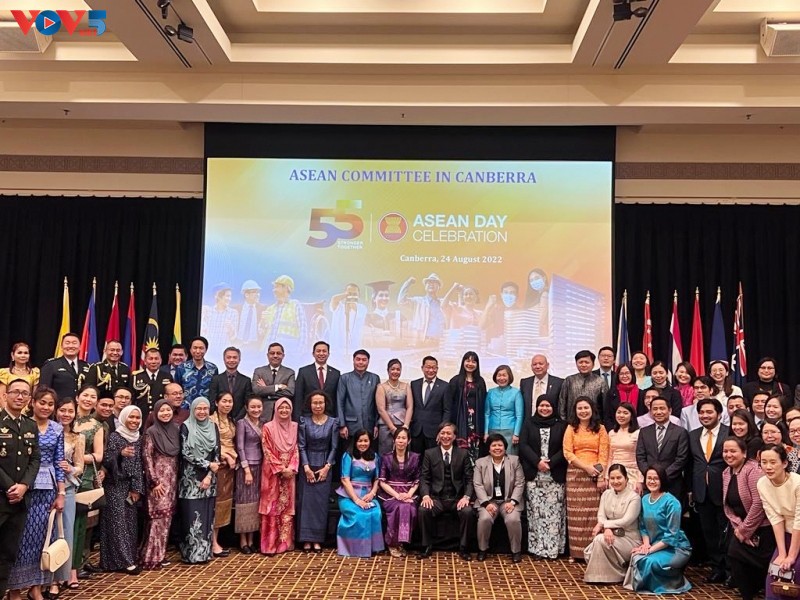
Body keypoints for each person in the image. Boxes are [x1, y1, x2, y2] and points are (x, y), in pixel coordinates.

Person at [6, 386, 63, 600]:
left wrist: (61, 493)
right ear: (33, 403)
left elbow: (59, 462)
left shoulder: (57, 429)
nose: (46, 407)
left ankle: (36, 587)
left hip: (48, 490)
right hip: (24, 487)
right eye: (42, 402)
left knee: (43, 539)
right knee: (21, 539)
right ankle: (14, 589)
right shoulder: (24, 425)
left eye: (50, 404)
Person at [0, 380, 41, 600]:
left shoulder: (30, 425)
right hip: (2, 496)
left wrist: (24, 485)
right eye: (15, 392)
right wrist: (9, 486)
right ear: (5, 395)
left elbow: (35, 459)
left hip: (20, 500)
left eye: (25, 393)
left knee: (8, 553)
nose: (20, 396)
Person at [623, 465, 692, 594]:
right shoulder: (644, 499)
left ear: (662, 480)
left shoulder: (672, 502)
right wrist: (646, 545)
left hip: (676, 547)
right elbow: (643, 527)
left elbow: (671, 537)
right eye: (649, 478)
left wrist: (649, 550)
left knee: (648, 561)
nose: (652, 481)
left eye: (656, 478)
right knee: (637, 557)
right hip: (655, 544)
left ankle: (674, 583)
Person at [722, 436, 775, 600]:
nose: (728, 455)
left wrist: (745, 530)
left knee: (764, 565)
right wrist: (739, 527)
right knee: (734, 555)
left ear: (744, 453)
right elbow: (727, 506)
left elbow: (759, 503)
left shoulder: (753, 471)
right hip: (740, 528)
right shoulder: (726, 472)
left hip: (762, 527)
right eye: (725, 451)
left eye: (733, 451)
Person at [417, 422, 475, 561]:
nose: (445, 436)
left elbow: (469, 479)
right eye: (442, 433)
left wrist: (466, 497)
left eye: (449, 433)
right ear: (438, 435)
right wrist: (426, 496)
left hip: (457, 499)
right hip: (437, 498)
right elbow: (424, 478)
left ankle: (464, 547)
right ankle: (426, 546)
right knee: (423, 510)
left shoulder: (463, 454)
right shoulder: (429, 453)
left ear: (454, 436)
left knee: (467, 512)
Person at [687, 397, 729, 583]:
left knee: (725, 532)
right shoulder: (693, 435)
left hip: (724, 490)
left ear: (719, 414)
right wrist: (690, 490)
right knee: (709, 532)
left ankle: (729, 570)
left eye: (709, 412)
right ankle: (716, 568)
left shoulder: (729, 432)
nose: (705, 415)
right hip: (701, 492)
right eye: (702, 412)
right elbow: (690, 464)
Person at [519, 396, 567, 560]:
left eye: (548, 406)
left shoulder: (562, 425)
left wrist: (551, 463)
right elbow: (523, 445)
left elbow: (565, 447)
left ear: (553, 407)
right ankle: (537, 549)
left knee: (554, 516)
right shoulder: (529, 423)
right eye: (541, 405)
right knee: (536, 514)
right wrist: (537, 462)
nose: (544, 408)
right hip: (535, 476)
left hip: (555, 476)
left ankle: (552, 550)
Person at [563, 397, 610, 561]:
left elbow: (604, 454)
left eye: (586, 408)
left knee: (593, 515)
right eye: (580, 408)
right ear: (575, 411)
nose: (583, 411)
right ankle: (576, 553)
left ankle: (593, 552)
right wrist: (585, 467)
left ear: (592, 410)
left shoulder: (601, 428)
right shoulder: (571, 428)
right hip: (575, 475)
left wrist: (600, 475)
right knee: (576, 515)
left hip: (595, 475)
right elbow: (567, 452)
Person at [99, 405, 143, 574]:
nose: (134, 421)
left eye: (137, 418)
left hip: (130, 487)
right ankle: (123, 561)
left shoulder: (138, 438)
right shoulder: (115, 437)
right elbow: (107, 460)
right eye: (131, 417)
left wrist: (136, 488)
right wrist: (120, 453)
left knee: (130, 523)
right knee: (117, 524)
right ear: (124, 418)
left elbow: (139, 465)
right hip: (115, 485)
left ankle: (128, 558)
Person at [178, 397, 220, 564]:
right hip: (190, 479)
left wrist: (209, 475)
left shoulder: (213, 426)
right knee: (191, 516)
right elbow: (185, 453)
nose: (202, 412)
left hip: (210, 478)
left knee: (207, 516)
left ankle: (204, 553)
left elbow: (217, 452)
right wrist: (207, 464)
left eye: (205, 409)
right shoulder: (186, 426)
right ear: (193, 410)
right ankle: (191, 555)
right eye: (198, 409)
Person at [139, 398, 180, 570]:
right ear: (156, 413)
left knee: (167, 518)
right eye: (162, 410)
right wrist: (154, 482)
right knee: (157, 519)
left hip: (172, 480)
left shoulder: (175, 429)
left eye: (168, 410)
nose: (165, 413)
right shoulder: (151, 432)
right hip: (158, 483)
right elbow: (147, 458)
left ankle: (160, 555)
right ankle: (150, 557)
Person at [584, 464, 642, 583]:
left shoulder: (634, 497)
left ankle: (609, 575)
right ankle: (602, 576)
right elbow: (601, 515)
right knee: (600, 540)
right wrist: (607, 529)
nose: (616, 481)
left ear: (626, 479)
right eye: (612, 478)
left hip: (630, 539)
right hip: (611, 535)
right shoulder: (606, 494)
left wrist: (605, 526)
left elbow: (626, 521)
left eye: (619, 478)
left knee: (599, 540)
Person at [473, 433, 525, 563]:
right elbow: (477, 484)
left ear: (505, 447)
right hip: (488, 501)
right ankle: (482, 549)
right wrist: (486, 503)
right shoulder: (480, 463)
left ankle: (516, 551)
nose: (497, 448)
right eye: (494, 445)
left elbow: (520, 483)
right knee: (484, 518)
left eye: (500, 445)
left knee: (513, 519)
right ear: (489, 448)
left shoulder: (514, 461)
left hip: (509, 501)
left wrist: (513, 502)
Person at [757, 444, 800, 599]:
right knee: (775, 573)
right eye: (764, 462)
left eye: (773, 462)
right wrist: (782, 553)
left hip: (798, 530)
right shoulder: (762, 483)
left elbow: (799, 520)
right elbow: (775, 518)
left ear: (785, 463)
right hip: (787, 534)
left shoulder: (797, 483)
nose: (768, 467)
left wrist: (791, 556)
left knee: (795, 571)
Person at [297, 391, 338, 552]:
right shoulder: (304, 421)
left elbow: (334, 447)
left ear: (325, 404)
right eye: (315, 403)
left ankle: (317, 540)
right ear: (310, 404)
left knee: (320, 505)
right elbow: (301, 446)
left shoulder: (333, 422)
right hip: (307, 467)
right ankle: (306, 539)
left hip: (324, 468)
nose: (318, 406)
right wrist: (306, 467)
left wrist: (327, 467)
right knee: (306, 504)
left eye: (321, 402)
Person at [72, 385, 105, 578]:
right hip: (63, 476)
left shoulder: (97, 426)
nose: (88, 399)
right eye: (85, 395)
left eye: (93, 397)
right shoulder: (65, 418)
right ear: (77, 397)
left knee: (82, 523)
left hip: (85, 477)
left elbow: (98, 455)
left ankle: (79, 563)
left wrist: (75, 457)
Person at [52, 397, 84, 594]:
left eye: (70, 411)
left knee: (65, 533)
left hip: (68, 489)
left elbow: (80, 466)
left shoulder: (77, 437)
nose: (66, 414)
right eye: (62, 410)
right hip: (46, 487)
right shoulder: (46, 431)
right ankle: (43, 578)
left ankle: (60, 577)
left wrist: (70, 468)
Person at [336, 429, 384, 558]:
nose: (363, 444)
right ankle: (355, 548)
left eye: (366, 441)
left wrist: (372, 493)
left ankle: (373, 548)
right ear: (355, 442)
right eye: (360, 441)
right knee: (359, 515)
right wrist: (356, 500)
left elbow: (377, 478)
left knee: (375, 513)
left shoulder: (375, 457)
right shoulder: (348, 456)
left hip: (368, 495)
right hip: (349, 496)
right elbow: (345, 479)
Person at [260, 397, 299, 555]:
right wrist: (281, 468)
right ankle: (269, 545)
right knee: (272, 507)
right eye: (280, 408)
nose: (284, 410)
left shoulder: (295, 426)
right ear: (275, 410)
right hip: (272, 472)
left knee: (287, 507)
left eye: (287, 408)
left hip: (290, 473)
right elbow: (266, 449)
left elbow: (296, 448)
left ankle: (285, 543)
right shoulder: (267, 427)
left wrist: (291, 467)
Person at [635, 396, 690, 501]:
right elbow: (640, 456)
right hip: (650, 484)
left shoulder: (680, 432)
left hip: (672, 483)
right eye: (655, 409)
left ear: (670, 410)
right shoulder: (644, 431)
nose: (658, 412)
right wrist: (651, 476)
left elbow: (681, 459)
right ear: (651, 412)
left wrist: (661, 476)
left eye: (662, 408)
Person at [378, 427, 420, 557]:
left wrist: (409, 494)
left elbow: (417, 480)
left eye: (404, 438)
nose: (401, 441)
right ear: (394, 440)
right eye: (398, 438)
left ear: (409, 441)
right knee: (399, 507)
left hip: (409, 493)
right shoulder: (386, 457)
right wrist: (397, 495)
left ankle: (401, 543)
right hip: (390, 494)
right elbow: (382, 481)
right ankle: (392, 543)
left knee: (410, 508)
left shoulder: (415, 457)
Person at [234, 396, 263, 554]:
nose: (256, 410)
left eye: (259, 407)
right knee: (243, 503)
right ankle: (242, 540)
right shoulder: (242, 423)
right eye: (253, 407)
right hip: (246, 467)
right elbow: (240, 447)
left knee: (255, 503)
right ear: (246, 408)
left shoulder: (263, 423)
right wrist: (246, 470)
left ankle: (251, 539)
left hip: (260, 465)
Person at [210, 391, 237, 557]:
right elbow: (211, 444)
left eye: (230, 401)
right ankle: (212, 542)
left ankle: (216, 540)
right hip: (217, 466)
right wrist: (225, 456)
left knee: (223, 504)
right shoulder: (211, 420)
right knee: (215, 503)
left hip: (229, 467)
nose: (227, 404)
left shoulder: (231, 420)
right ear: (216, 403)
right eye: (224, 401)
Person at [448, 351, 487, 465]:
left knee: (476, 453)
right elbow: (449, 404)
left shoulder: (480, 381)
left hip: (476, 423)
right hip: (460, 423)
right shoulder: (455, 380)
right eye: (468, 360)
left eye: (473, 361)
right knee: (460, 454)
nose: (470, 364)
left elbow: (484, 403)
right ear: (463, 362)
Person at [258, 275, 308, 358]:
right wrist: (263, 322)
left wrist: (299, 352)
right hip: (269, 353)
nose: (274, 290)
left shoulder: (295, 305)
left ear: (286, 288)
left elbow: (303, 329)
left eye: (277, 287)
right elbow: (261, 332)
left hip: (288, 353)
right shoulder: (270, 309)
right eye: (274, 287)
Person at [336, 349, 380, 443]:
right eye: (358, 359)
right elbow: (340, 402)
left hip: (370, 425)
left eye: (364, 360)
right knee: (349, 451)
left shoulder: (375, 378)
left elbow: (378, 404)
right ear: (353, 360)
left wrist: (377, 424)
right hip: (350, 426)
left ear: (368, 362)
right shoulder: (345, 378)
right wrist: (342, 425)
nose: (361, 362)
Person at [409, 356, 450, 454]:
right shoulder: (414, 384)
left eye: (434, 367)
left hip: (434, 432)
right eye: (428, 367)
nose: (431, 370)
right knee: (416, 459)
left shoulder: (445, 386)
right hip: (416, 431)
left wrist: (442, 431)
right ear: (422, 368)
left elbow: (447, 410)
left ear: (437, 368)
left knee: (433, 459)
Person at [293, 341, 340, 420]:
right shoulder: (304, 372)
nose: (321, 353)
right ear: (313, 353)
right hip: (308, 417)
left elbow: (337, 399)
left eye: (324, 351)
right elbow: (298, 397)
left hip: (329, 418)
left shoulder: (336, 373)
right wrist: (297, 419)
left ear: (328, 354)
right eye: (318, 351)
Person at [376, 359, 413, 455]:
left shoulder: (406, 386)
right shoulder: (381, 387)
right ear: (388, 370)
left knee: (403, 454)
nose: (395, 372)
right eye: (393, 369)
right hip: (386, 426)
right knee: (386, 454)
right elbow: (381, 409)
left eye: (398, 369)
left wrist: (406, 426)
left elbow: (410, 407)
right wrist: (392, 428)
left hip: (403, 425)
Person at [484, 365, 523, 455]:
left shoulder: (516, 393)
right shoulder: (490, 392)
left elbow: (519, 415)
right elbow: (487, 414)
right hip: (492, 430)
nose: (501, 378)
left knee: (509, 457)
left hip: (510, 431)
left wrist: (516, 433)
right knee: (494, 456)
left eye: (504, 375)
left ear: (509, 377)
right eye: (499, 375)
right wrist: (486, 432)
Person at [558, 350, 607, 422]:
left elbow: (605, 406)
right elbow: (562, 403)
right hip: (571, 423)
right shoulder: (569, 380)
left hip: (594, 423)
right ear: (576, 364)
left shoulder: (600, 382)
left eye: (587, 362)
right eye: (580, 362)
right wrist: (563, 422)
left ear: (593, 364)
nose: (583, 365)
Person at [398, 273, 447, 345]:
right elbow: (401, 301)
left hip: (441, 343)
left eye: (434, 282)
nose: (431, 284)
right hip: (423, 342)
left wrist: (460, 294)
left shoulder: (443, 303)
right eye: (428, 282)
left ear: (439, 287)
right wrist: (408, 283)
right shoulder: (418, 302)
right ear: (425, 286)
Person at [39, 333, 89, 402]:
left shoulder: (86, 366)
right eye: (67, 343)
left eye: (74, 343)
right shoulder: (51, 365)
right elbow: (43, 390)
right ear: (62, 346)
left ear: (80, 346)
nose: (71, 346)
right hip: (59, 406)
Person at [252, 342, 296, 421]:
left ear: (283, 356)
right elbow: (256, 391)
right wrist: (278, 387)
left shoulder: (290, 372)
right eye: (272, 353)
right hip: (263, 414)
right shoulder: (259, 371)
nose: (275, 356)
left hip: (282, 414)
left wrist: (266, 390)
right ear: (267, 355)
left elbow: (290, 392)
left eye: (278, 353)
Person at [208, 347, 253, 421]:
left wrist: (237, 419)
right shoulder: (216, 379)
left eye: (235, 357)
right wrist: (219, 418)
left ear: (239, 360)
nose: (231, 360)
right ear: (224, 359)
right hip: (219, 420)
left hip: (240, 420)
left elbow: (247, 403)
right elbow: (212, 400)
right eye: (228, 357)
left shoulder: (246, 380)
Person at [131, 347, 173, 423]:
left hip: (161, 416)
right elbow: (132, 398)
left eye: (156, 359)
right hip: (142, 416)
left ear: (160, 361)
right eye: (150, 359)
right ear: (145, 361)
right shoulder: (136, 377)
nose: (153, 361)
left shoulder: (167, 376)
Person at [607, 402, 642, 492]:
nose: (621, 415)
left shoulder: (638, 433)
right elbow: (610, 457)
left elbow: (641, 457)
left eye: (625, 413)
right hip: (615, 474)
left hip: (632, 474)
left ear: (632, 416)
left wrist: (640, 480)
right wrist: (606, 476)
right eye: (619, 412)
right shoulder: (611, 433)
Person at [175, 337, 219, 408]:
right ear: (190, 349)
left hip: (205, 409)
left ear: (206, 350)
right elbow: (176, 389)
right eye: (195, 348)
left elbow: (214, 391)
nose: (198, 351)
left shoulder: (213, 368)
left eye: (201, 348)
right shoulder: (181, 368)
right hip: (185, 409)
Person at [519, 354, 563, 423]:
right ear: (531, 367)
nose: (537, 366)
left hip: (552, 424)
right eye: (534, 364)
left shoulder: (559, 383)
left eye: (541, 364)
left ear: (547, 365)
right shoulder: (525, 383)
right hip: (529, 424)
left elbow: (562, 406)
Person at [329, 283, 368, 357]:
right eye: (349, 293)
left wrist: (352, 303)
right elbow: (334, 299)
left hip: (355, 349)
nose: (352, 296)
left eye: (355, 294)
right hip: (337, 349)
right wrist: (346, 295)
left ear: (359, 295)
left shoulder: (362, 308)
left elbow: (359, 314)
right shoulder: (339, 307)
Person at [201, 283, 239, 355]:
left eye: (230, 296)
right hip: (209, 351)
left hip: (225, 352)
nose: (229, 299)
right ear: (218, 296)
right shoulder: (208, 311)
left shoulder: (233, 313)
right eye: (227, 296)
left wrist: (231, 328)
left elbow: (233, 337)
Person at [603, 362, 638, 432]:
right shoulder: (611, 393)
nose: (624, 376)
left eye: (627, 373)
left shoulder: (641, 393)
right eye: (621, 374)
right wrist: (613, 432)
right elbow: (607, 417)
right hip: (616, 431)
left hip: (637, 431)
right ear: (618, 376)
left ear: (632, 374)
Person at [234, 280, 265, 351]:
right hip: (238, 345)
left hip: (255, 347)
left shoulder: (263, 309)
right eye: (254, 292)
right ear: (246, 295)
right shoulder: (236, 309)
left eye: (258, 292)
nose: (258, 295)